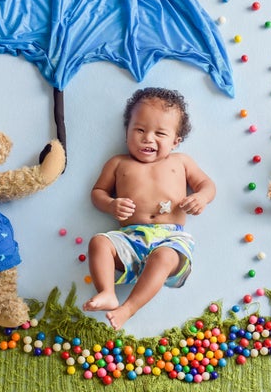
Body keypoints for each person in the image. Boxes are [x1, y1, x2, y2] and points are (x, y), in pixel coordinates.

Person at [82, 87, 216, 330]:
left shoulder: (181, 162)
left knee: (164, 257)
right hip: (130, 239)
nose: (148, 138)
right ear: (127, 133)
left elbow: (207, 184)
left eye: (160, 133)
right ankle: (107, 292)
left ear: (175, 141)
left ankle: (128, 308)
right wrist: (111, 204)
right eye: (140, 130)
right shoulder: (118, 163)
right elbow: (97, 193)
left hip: (171, 238)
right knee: (98, 243)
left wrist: (202, 198)